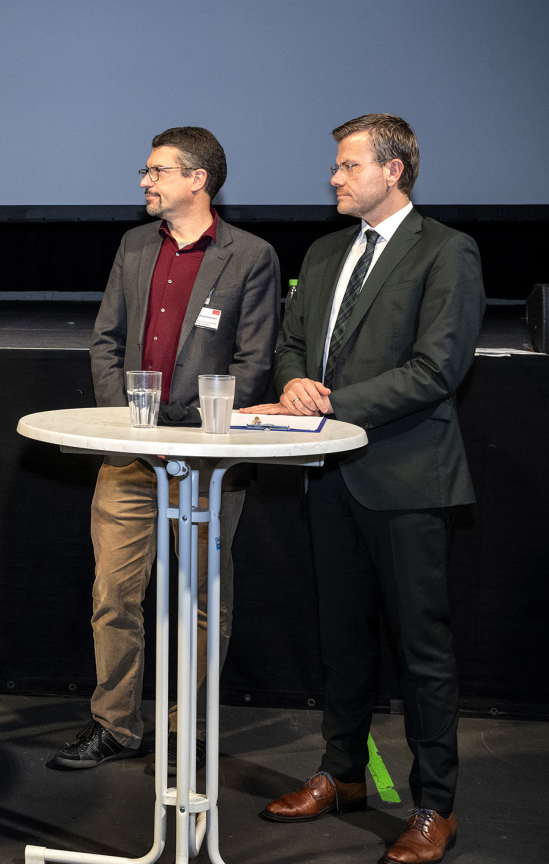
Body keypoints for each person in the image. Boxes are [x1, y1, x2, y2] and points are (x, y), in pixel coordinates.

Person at [248, 114, 483, 864]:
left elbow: (437, 368)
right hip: (329, 477)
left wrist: (330, 405)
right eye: (336, 166)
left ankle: (434, 806)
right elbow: (291, 344)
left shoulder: (446, 250)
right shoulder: (324, 253)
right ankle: (342, 774)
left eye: (349, 166)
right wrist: (292, 383)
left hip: (407, 479)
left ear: (394, 170)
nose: (334, 178)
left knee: (422, 652)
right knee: (342, 642)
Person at [57, 128, 280, 772]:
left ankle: (189, 732)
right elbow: (106, 341)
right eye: (147, 171)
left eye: (157, 171)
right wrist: (128, 423)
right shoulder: (134, 245)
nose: (145, 182)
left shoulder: (250, 255)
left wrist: (185, 429)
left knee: (202, 600)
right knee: (113, 595)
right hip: (129, 452)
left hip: (207, 456)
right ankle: (114, 725)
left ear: (197, 179)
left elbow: (254, 362)